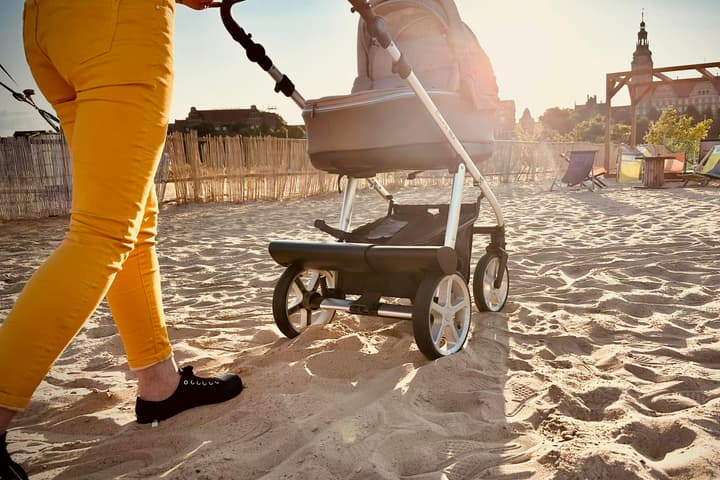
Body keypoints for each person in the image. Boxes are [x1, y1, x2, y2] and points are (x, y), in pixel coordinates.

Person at [0, 1, 243, 478]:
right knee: (101, 234)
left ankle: (160, 383)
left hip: (46, 26)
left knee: (130, 222)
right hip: (118, 24)